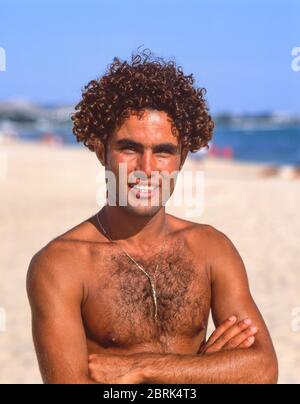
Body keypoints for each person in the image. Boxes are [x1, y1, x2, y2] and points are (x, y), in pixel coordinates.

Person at [27, 49, 278, 384]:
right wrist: (208, 372)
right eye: (130, 148)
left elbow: (263, 370)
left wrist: (141, 369)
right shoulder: (61, 265)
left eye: (163, 152)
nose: (146, 169)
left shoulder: (211, 249)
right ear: (102, 150)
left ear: (183, 158)